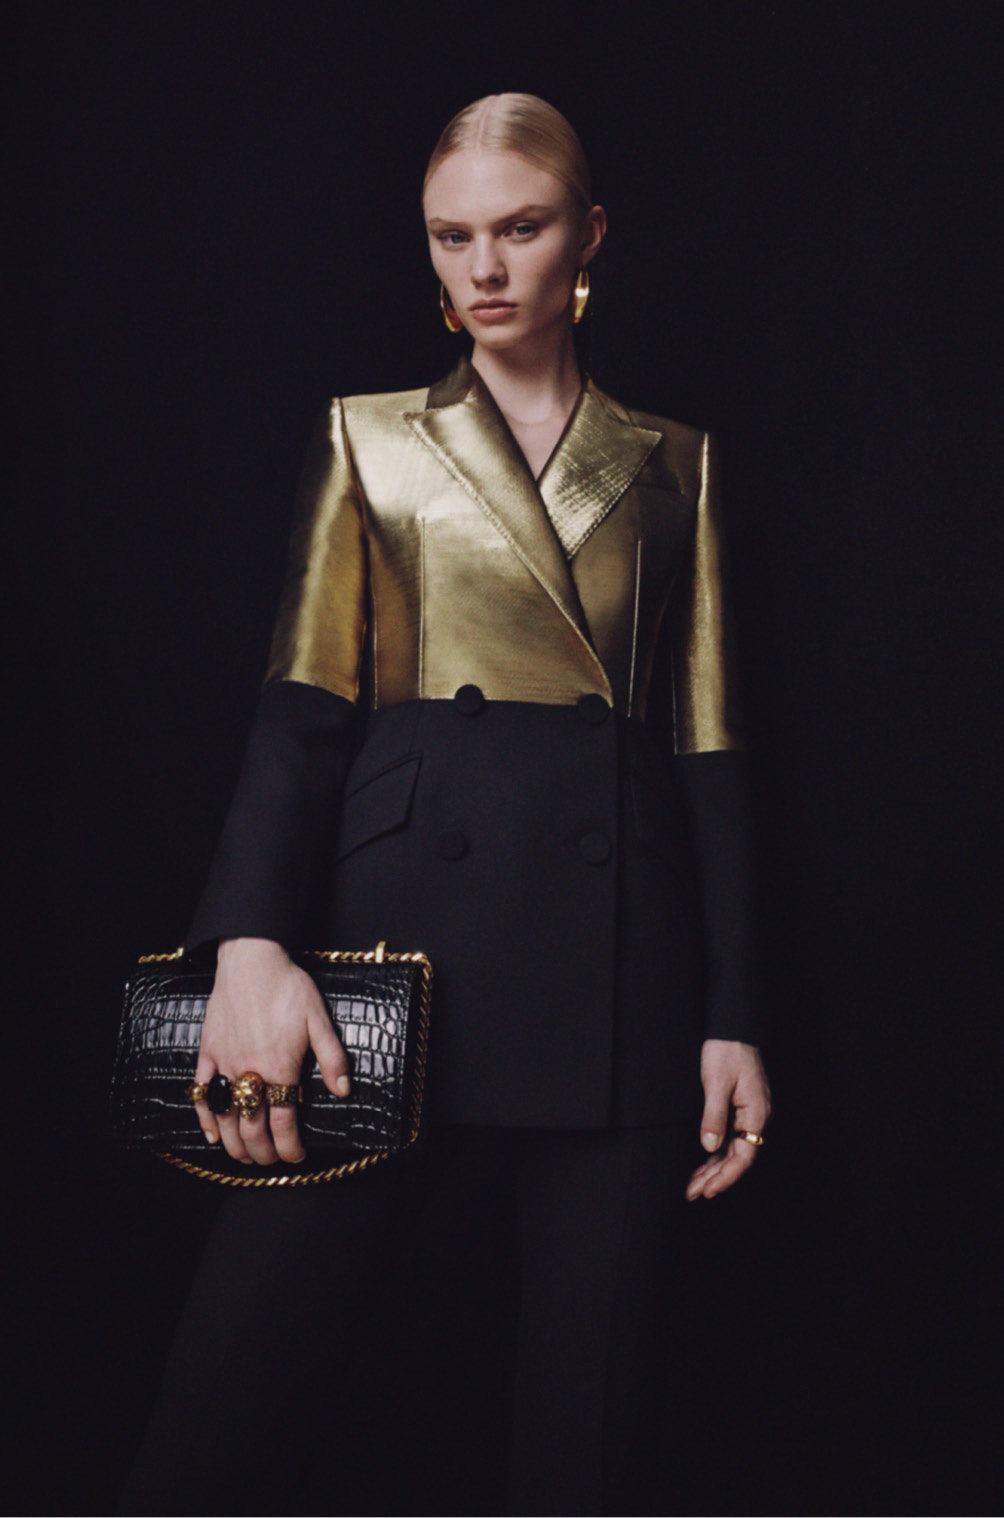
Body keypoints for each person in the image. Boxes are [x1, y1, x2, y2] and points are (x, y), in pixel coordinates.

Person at [120, 92, 771, 1517]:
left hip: (620, 985)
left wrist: (734, 1012)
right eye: (451, 235)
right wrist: (246, 944)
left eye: (519, 229)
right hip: (383, 973)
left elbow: (709, 755)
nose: (483, 267)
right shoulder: (370, 438)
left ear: (587, 236)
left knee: (588, 1469)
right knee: (214, 1436)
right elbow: (301, 713)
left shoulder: (677, 462)